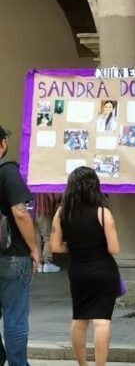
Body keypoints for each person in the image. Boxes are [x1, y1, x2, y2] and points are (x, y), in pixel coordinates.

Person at [50, 167, 121, 366]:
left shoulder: (62, 213)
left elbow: (55, 246)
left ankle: (82, 364)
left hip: (78, 271)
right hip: (104, 270)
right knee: (102, 321)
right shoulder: (102, 212)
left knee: (80, 319)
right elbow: (114, 248)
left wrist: (75, 246)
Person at [0, 126, 38, 366]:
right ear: (2, 144)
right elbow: (20, 211)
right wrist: (34, 248)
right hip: (12, 256)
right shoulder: (7, 172)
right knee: (15, 317)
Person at [34, 193, 61, 273]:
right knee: (48, 238)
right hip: (44, 212)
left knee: (37, 239)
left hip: (32, 214)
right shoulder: (45, 185)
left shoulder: (32, 184)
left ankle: (39, 264)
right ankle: (47, 263)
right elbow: (52, 199)